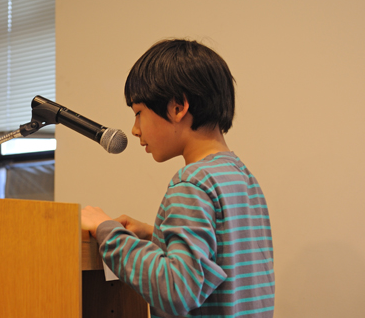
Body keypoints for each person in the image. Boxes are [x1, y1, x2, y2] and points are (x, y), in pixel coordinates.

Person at [81, 39, 274, 317]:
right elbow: (219, 251)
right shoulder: (241, 178)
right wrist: (153, 233)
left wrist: (107, 231)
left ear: (177, 107)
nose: (134, 130)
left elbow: (176, 290)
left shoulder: (192, 183)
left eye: (138, 114)